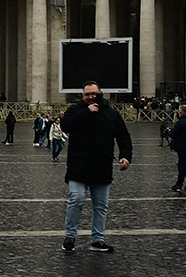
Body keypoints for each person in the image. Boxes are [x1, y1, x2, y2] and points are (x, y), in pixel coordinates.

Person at [59, 81, 133, 253]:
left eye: (94, 94)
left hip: (102, 166)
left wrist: (125, 156)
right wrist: (87, 112)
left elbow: (123, 137)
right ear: (82, 96)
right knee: (76, 199)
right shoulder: (75, 111)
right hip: (78, 166)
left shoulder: (112, 114)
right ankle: (70, 236)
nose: (91, 97)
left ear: (101, 93)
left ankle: (97, 240)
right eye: (87, 94)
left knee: (101, 206)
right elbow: (66, 126)